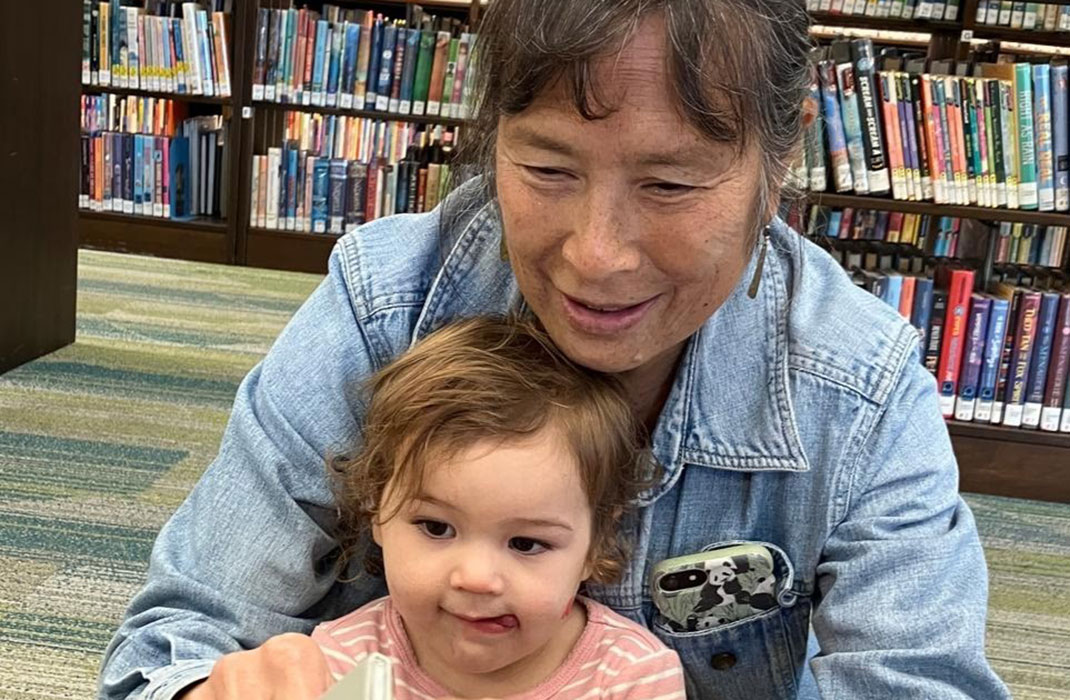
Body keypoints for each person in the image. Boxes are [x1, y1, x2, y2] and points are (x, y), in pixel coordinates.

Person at [99, 0, 1011, 698]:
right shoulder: (384, 308)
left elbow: (918, 679)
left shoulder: (856, 388)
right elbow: (176, 642)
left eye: (669, 183)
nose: (597, 255)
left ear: (777, 164)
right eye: (546, 170)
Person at [311, 315, 684, 699]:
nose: (476, 578)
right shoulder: (338, 663)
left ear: (596, 544)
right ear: (376, 508)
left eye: (525, 543)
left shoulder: (631, 677)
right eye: (436, 527)